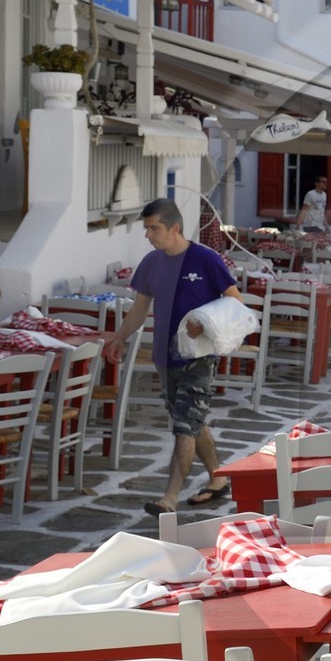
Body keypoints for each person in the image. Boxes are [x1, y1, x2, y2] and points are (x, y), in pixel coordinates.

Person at [104, 198, 242, 517]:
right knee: (192, 421)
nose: (148, 235)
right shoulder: (151, 263)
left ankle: (170, 498)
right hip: (164, 358)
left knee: (183, 426)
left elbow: (235, 301)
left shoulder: (206, 259)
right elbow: (140, 308)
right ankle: (218, 479)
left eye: (154, 228)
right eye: (147, 228)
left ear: (174, 228)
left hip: (199, 358)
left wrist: (204, 323)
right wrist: (119, 338)